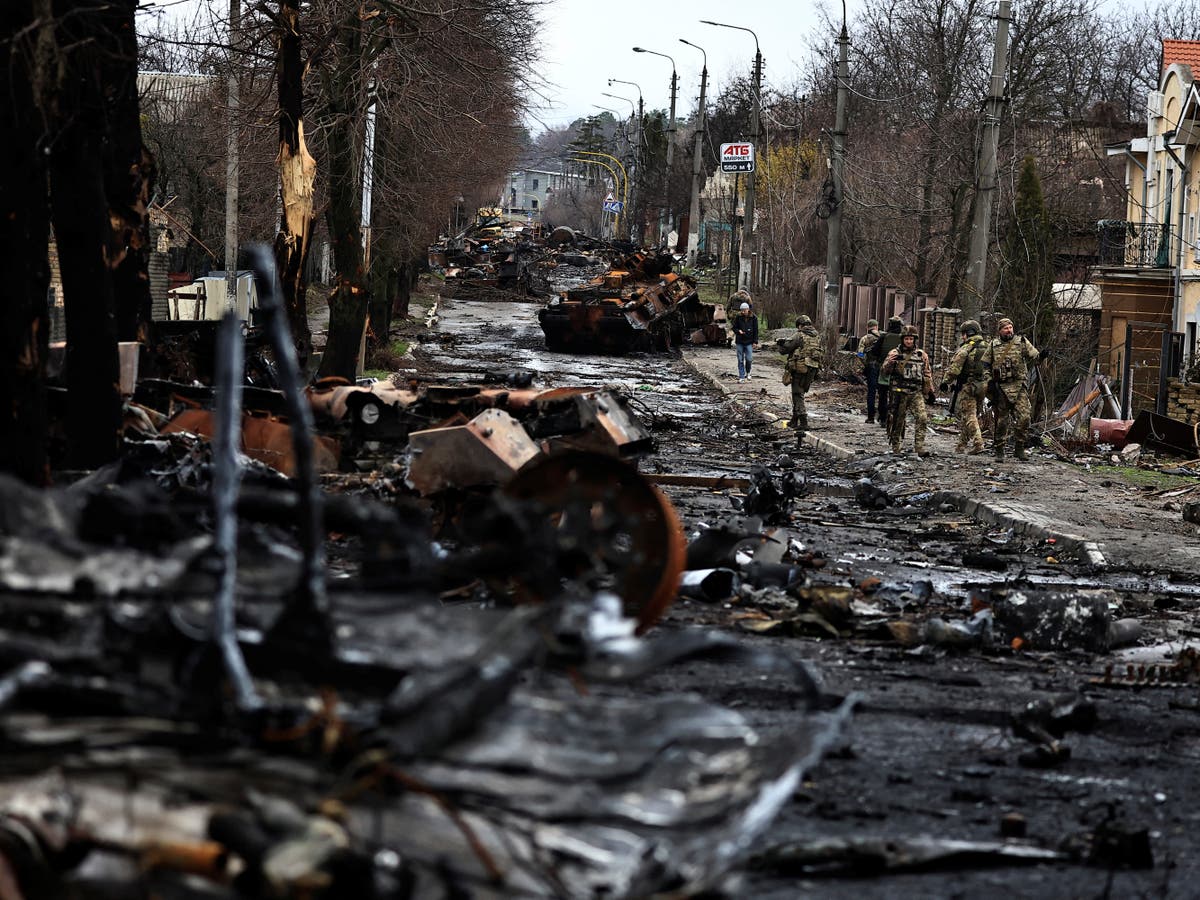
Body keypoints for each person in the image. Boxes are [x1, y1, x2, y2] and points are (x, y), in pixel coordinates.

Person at [984, 317, 1040, 460]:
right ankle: (999, 449)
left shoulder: (1021, 342)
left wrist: (1042, 356)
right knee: (1002, 420)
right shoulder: (992, 345)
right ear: (1000, 331)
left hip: (1019, 385)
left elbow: (1035, 356)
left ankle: (1019, 447)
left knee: (1024, 417)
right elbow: (985, 366)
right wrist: (989, 382)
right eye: (1005, 328)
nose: (1009, 330)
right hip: (1001, 387)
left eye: (1010, 327)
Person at [881, 325, 934, 456]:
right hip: (899, 392)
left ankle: (919, 447)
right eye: (907, 339)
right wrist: (890, 364)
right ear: (902, 339)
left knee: (922, 418)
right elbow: (884, 371)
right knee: (898, 421)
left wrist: (930, 391)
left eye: (911, 339)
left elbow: (927, 374)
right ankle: (896, 447)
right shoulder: (894, 353)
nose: (909, 341)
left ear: (914, 340)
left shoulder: (922, 355)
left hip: (916, 392)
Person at [938, 319, 988, 454]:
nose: (962, 336)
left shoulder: (967, 347)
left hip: (969, 385)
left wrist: (945, 382)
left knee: (969, 415)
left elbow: (955, 368)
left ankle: (978, 443)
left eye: (963, 334)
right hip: (983, 385)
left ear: (968, 333)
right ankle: (961, 445)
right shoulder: (987, 346)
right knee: (972, 415)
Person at [777, 314, 824, 433]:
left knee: (797, 394)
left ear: (800, 325)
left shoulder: (799, 335)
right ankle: (794, 420)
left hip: (800, 368)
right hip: (812, 369)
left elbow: (785, 349)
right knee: (799, 392)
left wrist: (780, 343)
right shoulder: (817, 335)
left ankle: (803, 422)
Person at [871, 316, 905, 430]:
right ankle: (896, 419)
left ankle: (883, 418)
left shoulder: (883, 337)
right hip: (899, 371)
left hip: (884, 369)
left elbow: (874, 352)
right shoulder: (904, 339)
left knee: (883, 395)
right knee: (897, 396)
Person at [858, 319, 882, 423]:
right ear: (876, 326)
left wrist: (865, 364)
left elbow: (860, 354)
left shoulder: (864, 338)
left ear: (868, 327)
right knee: (883, 393)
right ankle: (882, 417)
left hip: (871, 367)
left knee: (871, 393)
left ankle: (871, 417)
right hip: (883, 368)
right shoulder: (883, 337)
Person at [731, 300, 759, 383]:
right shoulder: (738, 317)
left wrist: (755, 341)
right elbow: (734, 327)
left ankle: (748, 372)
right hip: (740, 340)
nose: (743, 312)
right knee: (740, 359)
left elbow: (756, 330)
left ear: (748, 309)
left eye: (744, 310)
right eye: (742, 310)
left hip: (749, 341)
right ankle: (741, 376)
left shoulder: (754, 318)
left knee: (749, 358)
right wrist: (738, 331)